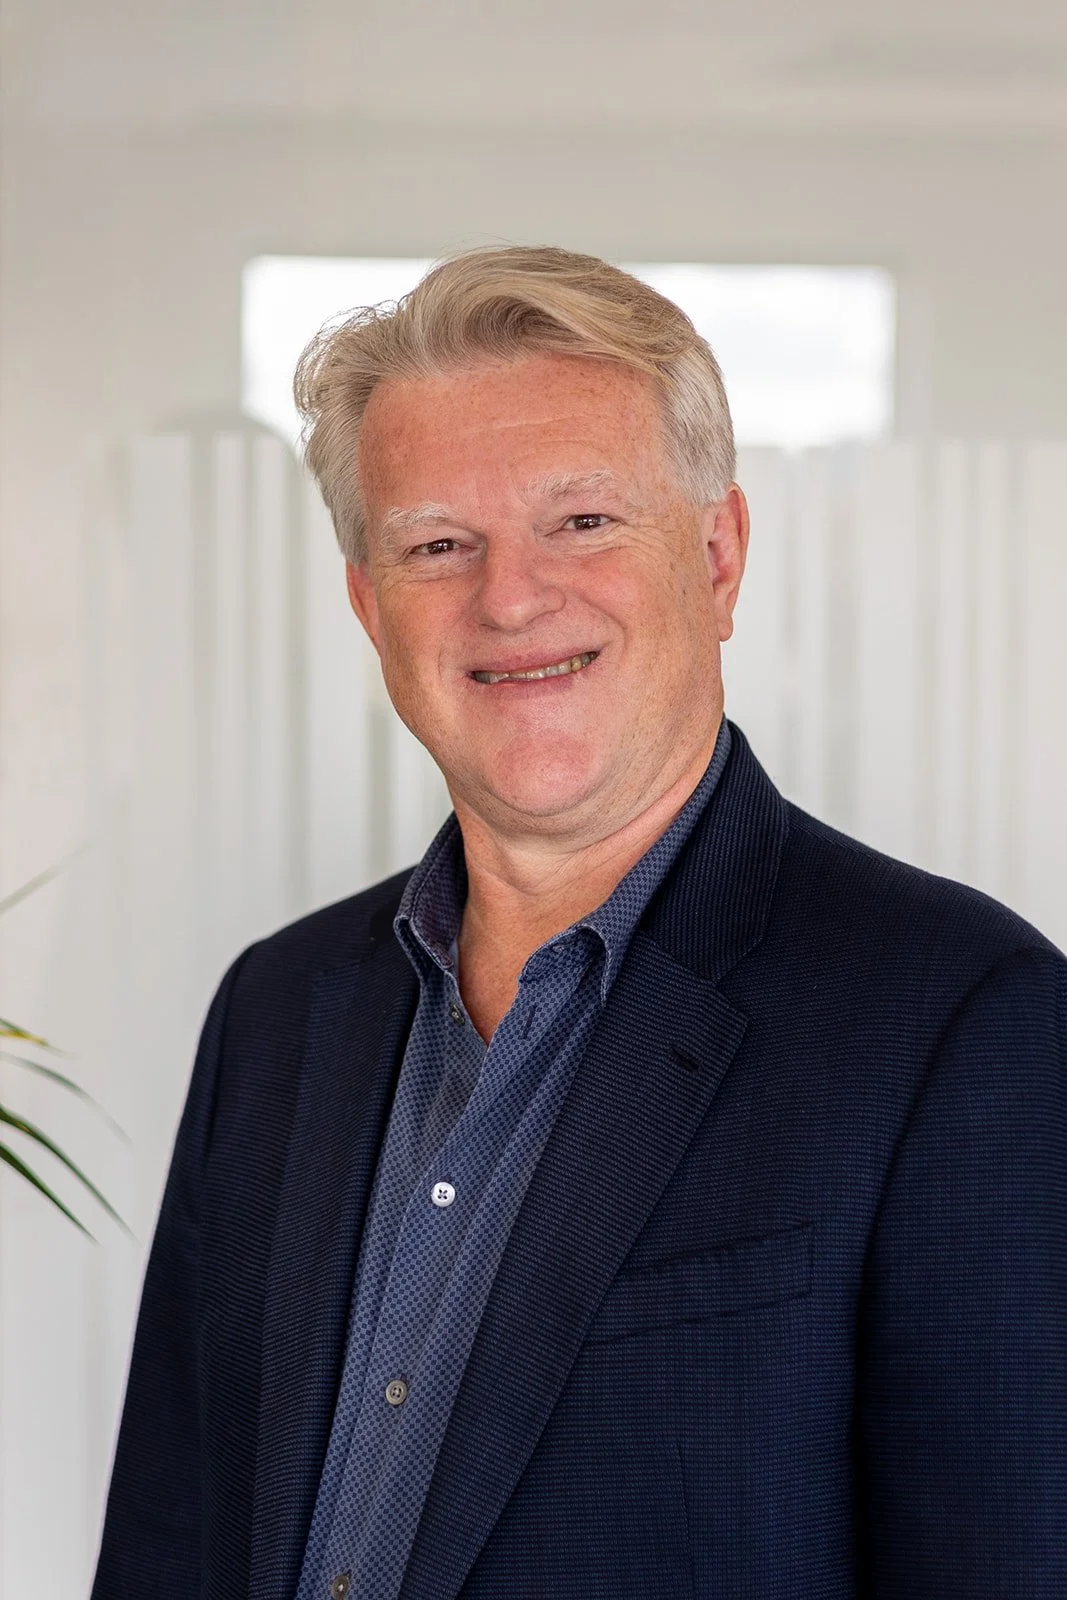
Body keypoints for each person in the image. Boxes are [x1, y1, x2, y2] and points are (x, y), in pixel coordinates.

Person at [92, 247, 1066, 1600]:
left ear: (717, 557)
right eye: (438, 544)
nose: (509, 597)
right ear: (370, 606)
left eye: (583, 521)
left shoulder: (963, 1023)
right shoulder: (276, 1010)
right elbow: (168, 1547)